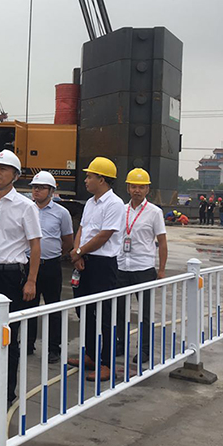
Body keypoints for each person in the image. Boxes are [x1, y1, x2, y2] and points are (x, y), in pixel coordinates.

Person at [0, 150, 42, 407]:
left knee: (7, 337)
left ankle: (6, 392)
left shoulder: (26, 207)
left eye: (3, 169)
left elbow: (35, 245)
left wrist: (31, 280)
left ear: (15, 175)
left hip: (11, 275)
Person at [68, 157, 125, 382]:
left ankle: (107, 363)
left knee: (104, 315)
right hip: (85, 260)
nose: (86, 180)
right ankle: (91, 355)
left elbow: (104, 235)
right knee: (85, 311)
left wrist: (79, 252)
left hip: (103, 264)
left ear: (102, 179)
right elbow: (82, 229)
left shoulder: (114, 204)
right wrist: (77, 253)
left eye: (89, 176)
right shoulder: (91, 203)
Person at [115, 168, 167, 364]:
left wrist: (161, 270)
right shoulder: (121, 210)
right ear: (128, 188)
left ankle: (144, 349)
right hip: (121, 266)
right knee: (119, 310)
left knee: (145, 312)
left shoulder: (155, 212)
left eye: (141, 187)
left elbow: (162, 242)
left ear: (147, 189)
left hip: (143, 268)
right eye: (134, 186)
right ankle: (120, 343)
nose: (137, 190)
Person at [25, 171, 73, 362]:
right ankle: (27, 344)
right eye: (34, 187)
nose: (36, 191)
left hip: (51, 265)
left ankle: (54, 349)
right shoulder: (27, 209)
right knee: (28, 306)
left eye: (41, 188)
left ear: (51, 191)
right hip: (28, 264)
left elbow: (67, 241)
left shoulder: (62, 213)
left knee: (53, 307)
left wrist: (55, 254)